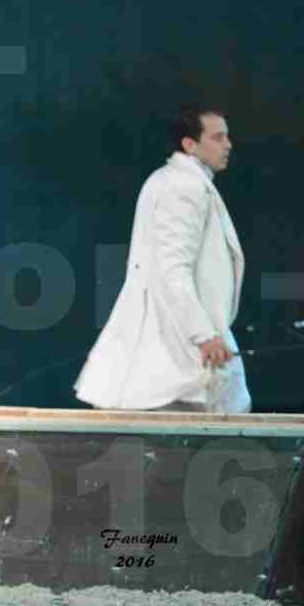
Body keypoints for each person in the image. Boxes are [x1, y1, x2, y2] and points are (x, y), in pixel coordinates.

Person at [74, 105, 250, 414]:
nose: (228, 144)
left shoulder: (169, 180)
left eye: (227, 136)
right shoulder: (185, 187)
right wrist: (203, 334)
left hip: (176, 332)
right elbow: (172, 269)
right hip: (175, 344)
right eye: (218, 137)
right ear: (189, 144)